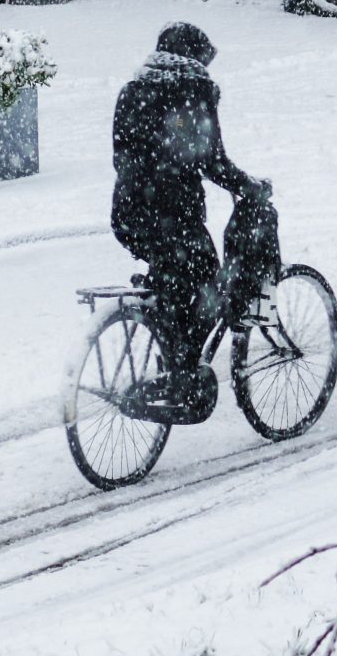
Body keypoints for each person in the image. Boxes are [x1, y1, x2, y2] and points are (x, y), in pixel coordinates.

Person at [111, 21, 274, 392]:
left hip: (128, 214)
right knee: (210, 291)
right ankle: (181, 370)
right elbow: (211, 160)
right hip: (174, 216)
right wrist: (248, 187)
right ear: (195, 56)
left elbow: (121, 156)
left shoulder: (132, 90)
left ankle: (169, 354)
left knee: (173, 280)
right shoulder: (193, 89)